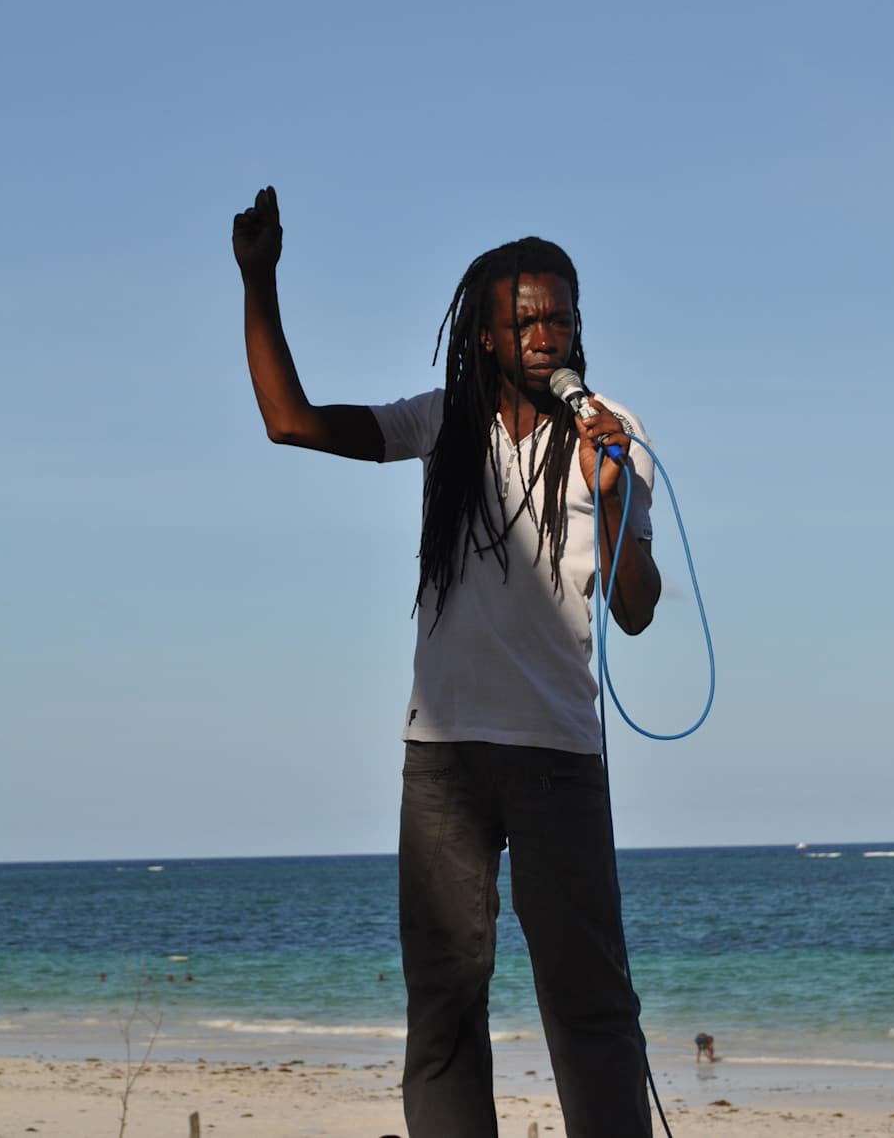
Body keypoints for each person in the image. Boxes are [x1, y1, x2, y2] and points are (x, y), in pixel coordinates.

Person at [232, 186, 662, 1138]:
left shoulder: (612, 434)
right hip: (442, 762)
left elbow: (634, 610)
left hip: (558, 756)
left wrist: (612, 494)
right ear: (485, 336)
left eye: (561, 319)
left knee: (590, 1009)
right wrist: (259, 281)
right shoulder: (441, 423)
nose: (547, 337)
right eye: (526, 321)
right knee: (444, 1009)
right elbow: (289, 421)